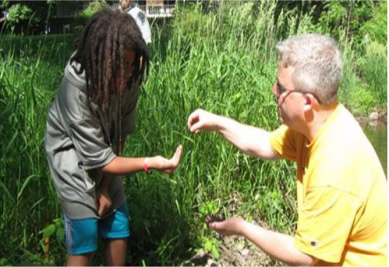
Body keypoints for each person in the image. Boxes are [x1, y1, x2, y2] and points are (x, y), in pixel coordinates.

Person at [187, 34, 387, 266]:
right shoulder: (317, 124)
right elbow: (265, 143)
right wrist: (217, 122)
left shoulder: (335, 165)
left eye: (282, 88)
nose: (274, 91)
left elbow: (305, 256)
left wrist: (242, 228)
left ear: (307, 102)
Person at [45, 8, 182, 266]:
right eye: (122, 67)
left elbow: (118, 136)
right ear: (104, 62)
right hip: (69, 150)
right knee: (84, 231)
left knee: (118, 222)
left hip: (105, 150)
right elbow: (100, 159)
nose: (129, 73)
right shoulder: (77, 88)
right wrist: (149, 162)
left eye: (132, 65)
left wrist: (106, 187)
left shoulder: (130, 80)